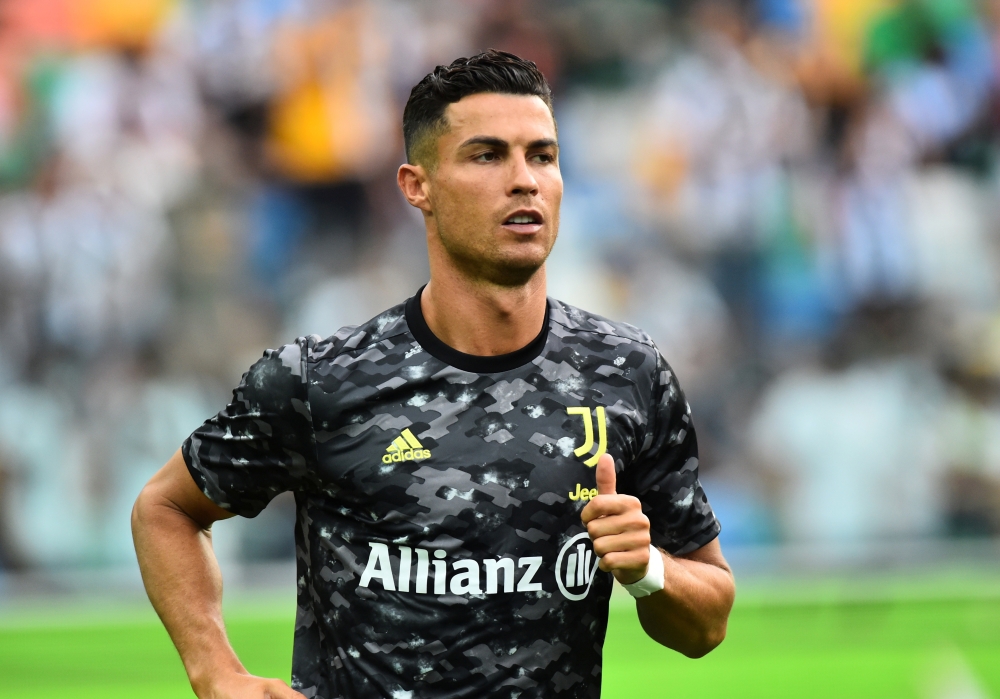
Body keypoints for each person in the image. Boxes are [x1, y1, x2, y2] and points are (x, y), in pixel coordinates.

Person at [132, 49, 735, 699]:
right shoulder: (320, 381)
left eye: (542, 155)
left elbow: (707, 622)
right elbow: (165, 507)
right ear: (417, 185)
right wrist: (215, 671)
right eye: (487, 155)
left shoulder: (627, 372)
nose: (525, 180)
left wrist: (647, 568)